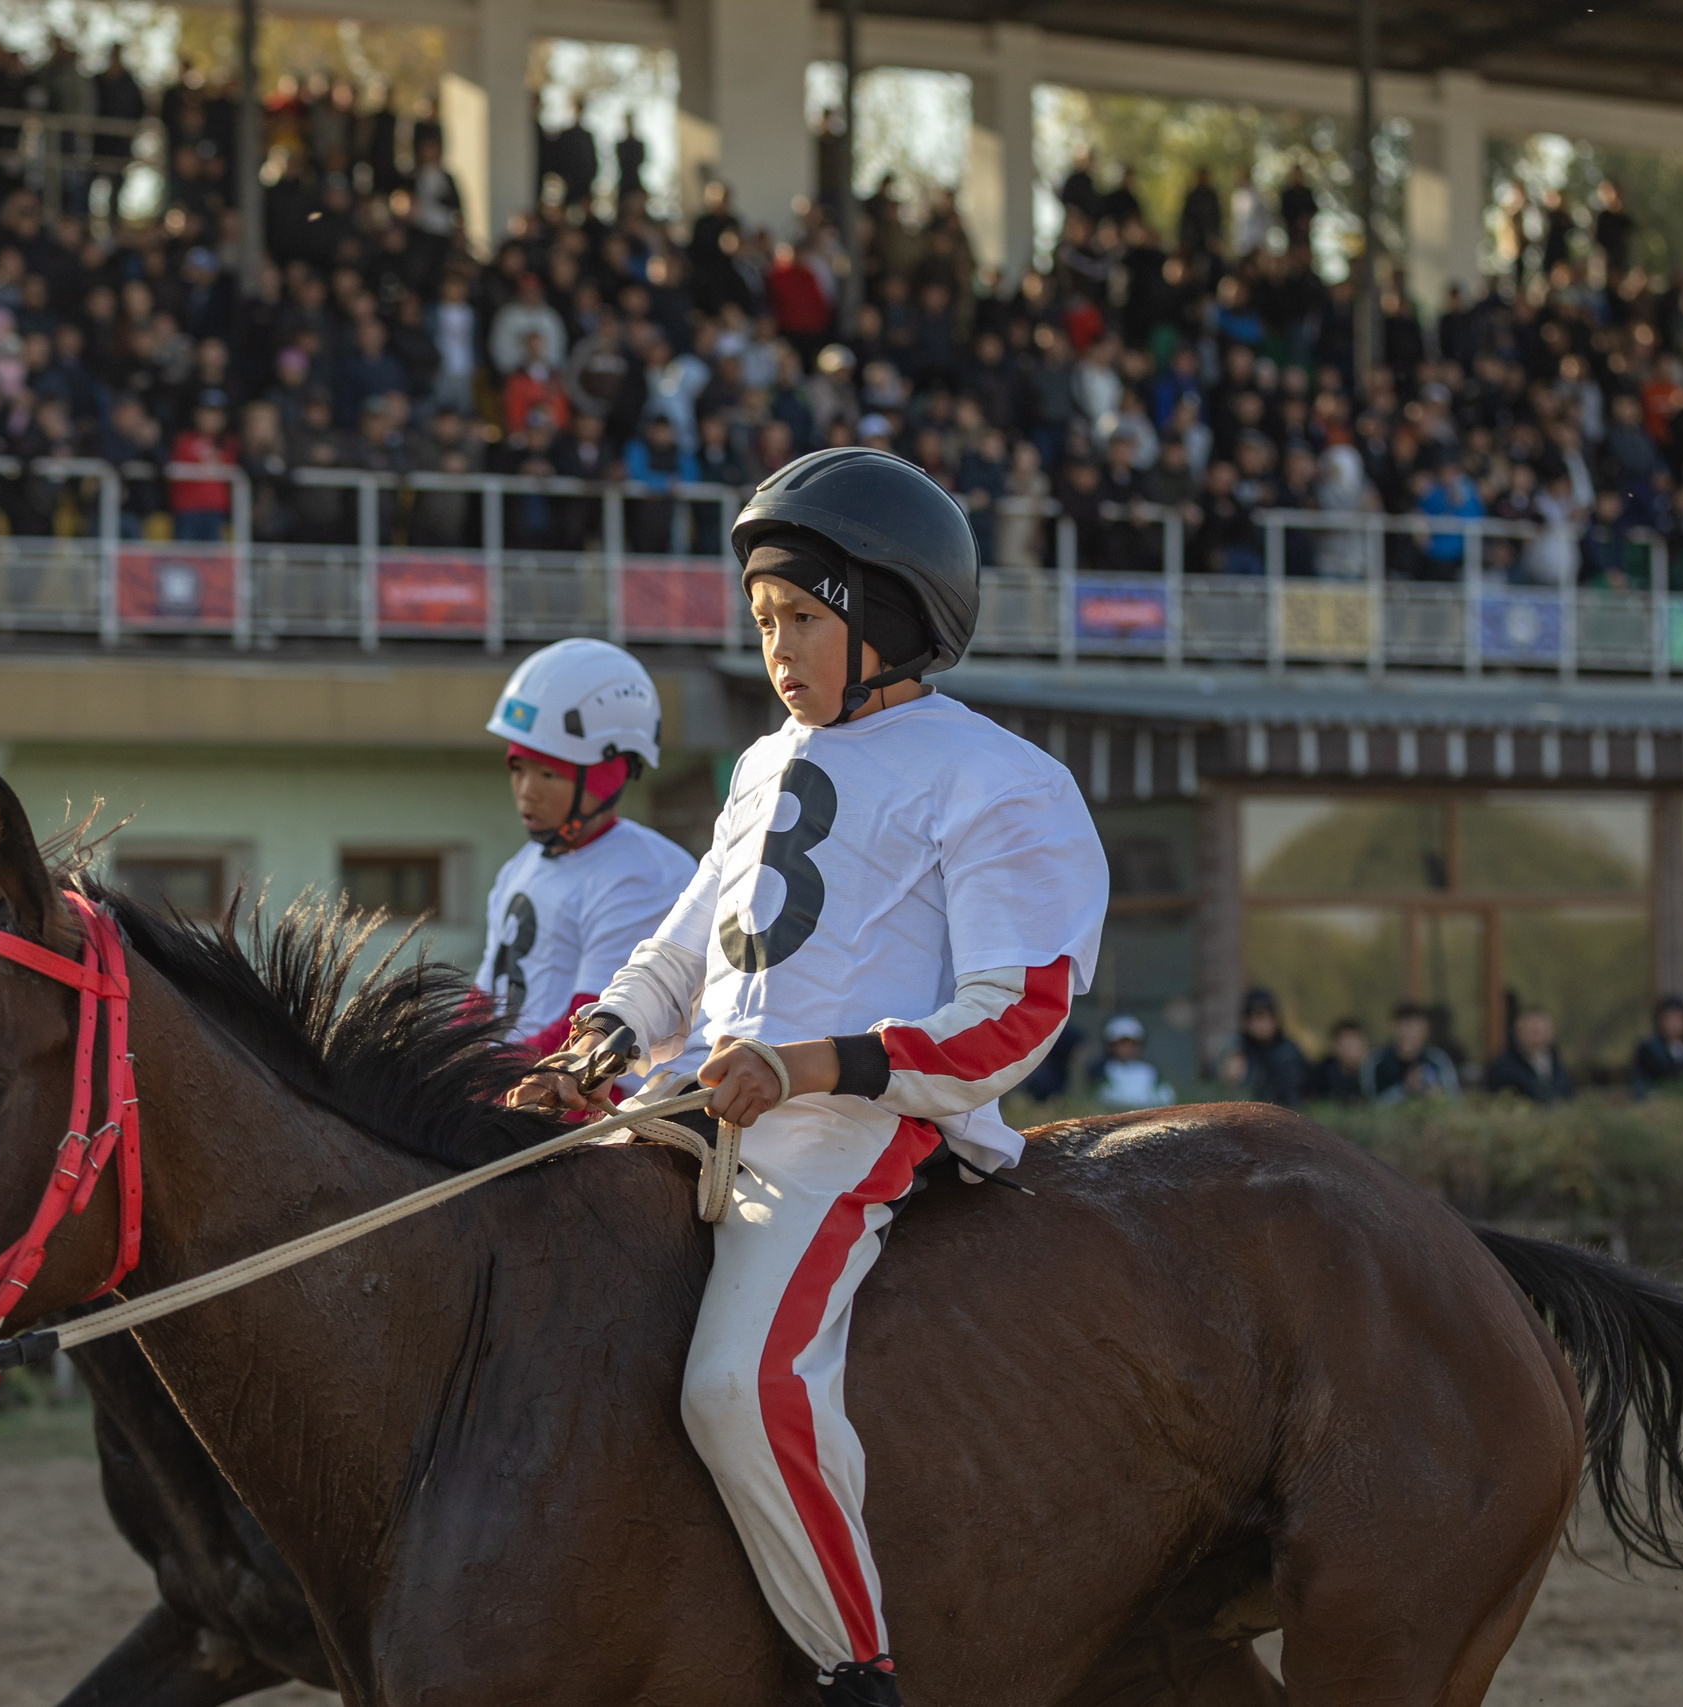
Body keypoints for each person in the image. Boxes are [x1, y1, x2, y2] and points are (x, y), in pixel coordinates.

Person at [508, 447, 1107, 1707]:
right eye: (761, 618)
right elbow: (680, 947)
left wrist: (808, 1066)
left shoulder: (1000, 779)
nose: (774, 646)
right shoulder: (763, 761)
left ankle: (854, 1671)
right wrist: (607, 1042)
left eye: (800, 617)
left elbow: (1017, 1019)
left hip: (859, 1129)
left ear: (883, 619)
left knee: (736, 1384)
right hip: (708, 1107)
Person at [477, 639, 702, 1068]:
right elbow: (482, 998)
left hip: (588, 1100)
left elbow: (597, 1026)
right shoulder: (520, 866)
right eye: (518, 769)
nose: (527, 792)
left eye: (549, 773)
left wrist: (485, 1074)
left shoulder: (645, 873)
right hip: (511, 1086)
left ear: (609, 773)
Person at [1366, 1002, 1459, 1103]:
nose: (1409, 1032)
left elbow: (1454, 1098)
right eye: (1405, 1026)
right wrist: (1406, 1088)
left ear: (1425, 1028)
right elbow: (1369, 1104)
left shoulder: (1437, 1059)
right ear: (1394, 1027)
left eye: (1415, 1026)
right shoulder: (1377, 1062)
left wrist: (1436, 1095)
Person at [1234, 988, 1308, 1107]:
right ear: (1246, 1021)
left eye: (1266, 1017)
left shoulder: (1288, 1051)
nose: (1262, 1024)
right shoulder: (1237, 1048)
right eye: (1256, 1018)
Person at [1485, 1006, 1573, 1103]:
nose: (1537, 1037)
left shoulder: (1559, 1064)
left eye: (1540, 1031)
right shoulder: (1503, 1067)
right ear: (1518, 1032)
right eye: (1531, 1031)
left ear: (1551, 1032)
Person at [1629, 994, 1683, 1097]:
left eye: (1678, 1018)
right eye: (1669, 1019)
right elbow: (1641, 1084)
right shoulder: (1649, 1050)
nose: (1674, 1024)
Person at [1089, 1015, 1171, 1109]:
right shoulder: (1103, 1071)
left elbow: (1165, 1096)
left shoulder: (1149, 1071)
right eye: (1122, 1044)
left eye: (1132, 1044)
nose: (1127, 1048)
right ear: (1111, 1046)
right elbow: (1101, 1096)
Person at [1307, 1018, 1371, 1102]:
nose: (1353, 1048)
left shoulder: (1369, 1073)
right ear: (1334, 1045)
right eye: (1348, 1042)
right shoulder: (1321, 1076)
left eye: (1356, 1042)